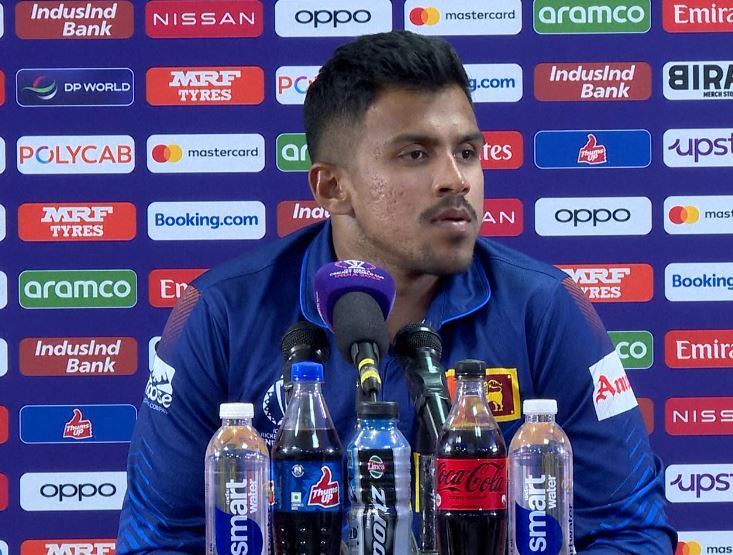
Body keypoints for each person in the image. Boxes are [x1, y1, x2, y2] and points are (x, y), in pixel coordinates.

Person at [117, 31, 677, 553]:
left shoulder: (548, 307)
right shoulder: (219, 312)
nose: (456, 179)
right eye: (416, 154)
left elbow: (632, 530)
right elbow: (158, 540)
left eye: (467, 151)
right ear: (332, 187)